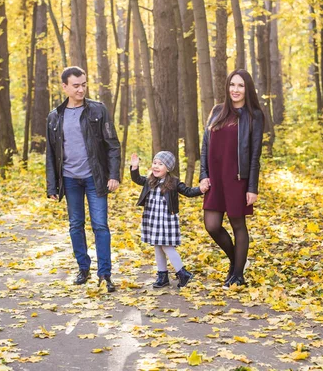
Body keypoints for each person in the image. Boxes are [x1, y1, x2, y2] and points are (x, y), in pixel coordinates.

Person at [46, 66, 121, 293]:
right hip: (69, 179)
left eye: (84, 84)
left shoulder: (98, 110)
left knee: (100, 225)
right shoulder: (55, 116)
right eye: (76, 85)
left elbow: (113, 145)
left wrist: (114, 175)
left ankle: (104, 274)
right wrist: (52, 185)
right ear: (65, 87)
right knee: (75, 225)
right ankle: (83, 268)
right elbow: (51, 153)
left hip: (94, 178)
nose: (81, 89)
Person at [200, 69, 264, 288]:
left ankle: (238, 275)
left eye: (240, 86)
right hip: (215, 179)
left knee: (238, 224)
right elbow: (205, 146)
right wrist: (203, 176)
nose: (235, 90)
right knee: (212, 225)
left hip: (237, 178)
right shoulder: (217, 111)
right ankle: (236, 262)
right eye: (232, 85)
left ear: (247, 89)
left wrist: (252, 187)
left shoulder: (254, 115)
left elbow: (255, 155)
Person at [130, 151, 207, 288]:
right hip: (153, 218)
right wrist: (135, 168)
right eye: (154, 163)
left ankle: (183, 273)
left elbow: (188, 192)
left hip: (166, 219)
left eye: (160, 164)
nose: (156, 166)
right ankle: (162, 276)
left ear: (168, 168)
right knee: (157, 246)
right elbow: (137, 179)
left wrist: (200, 189)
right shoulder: (150, 180)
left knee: (166, 246)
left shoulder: (173, 182)